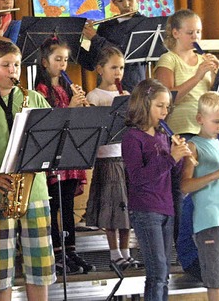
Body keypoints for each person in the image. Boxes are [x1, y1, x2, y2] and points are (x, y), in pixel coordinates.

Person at [0, 40, 55, 300]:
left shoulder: (35, 98)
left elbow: (51, 140)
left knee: (40, 266)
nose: (13, 70)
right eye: (6, 65)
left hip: (35, 193)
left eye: (16, 65)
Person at [122, 79, 192, 301]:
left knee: (165, 273)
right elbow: (139, 178)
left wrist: (180, 156)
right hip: (145, 208)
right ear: (144, 104)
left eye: (167, 106)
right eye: (159, 106)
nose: (165, 111)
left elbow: (171, 175)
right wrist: (172, 158)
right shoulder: (132, 138)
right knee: (157, 271)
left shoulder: (163, 136)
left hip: (166, 207)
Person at [155, 9, 219, 243]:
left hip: (206, 132)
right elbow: (169, 99)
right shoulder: (168, 59)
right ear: (175, 33)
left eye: (199, 32)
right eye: (190, 32)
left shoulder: (203, 60)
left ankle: (209, 237)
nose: (196, 37)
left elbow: (210, 97)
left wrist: (215, 76)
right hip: (180, 131)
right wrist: (198, 75)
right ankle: (182, 243)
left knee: (207, 187)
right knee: (183, 190)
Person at [34, 36, 92, 274]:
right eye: (57, 59)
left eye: (65, 60)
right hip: (53, 155)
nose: (63, 64)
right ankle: (56, 252)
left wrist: (81, 107)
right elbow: (49, 122)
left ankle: (71, 250)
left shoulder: (67, 88)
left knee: (68, 205)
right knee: (55, 204)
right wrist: (71, 108)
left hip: (70, 153)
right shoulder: (41, 89)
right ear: (45, 63)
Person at [84, 46, 140, 270]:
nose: (118, 73)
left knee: (127, 208)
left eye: (122, 68)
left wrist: (129, 107)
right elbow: (94, 129)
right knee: (112, 209)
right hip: (107, 159)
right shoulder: (94, 96)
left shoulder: (125, 94)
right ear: (100, 69)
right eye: (113, 67)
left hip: (126, 157)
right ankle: (114, 252)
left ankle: (126, 252)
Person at [180, 91, 219, 301]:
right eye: (216, 121)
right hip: (210, 222)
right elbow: (184, 186)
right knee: (216, 280)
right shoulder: (193, 147)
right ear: (200, 119)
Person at [79, 0, 147, 93]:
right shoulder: (105, 26)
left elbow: (124, 55)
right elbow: (91, 63)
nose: (126, 5)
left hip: (133, 90)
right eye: (120, 0)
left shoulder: (144, 24)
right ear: (113, 1)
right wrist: (73, 40)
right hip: (105, 91)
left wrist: (95, 38)